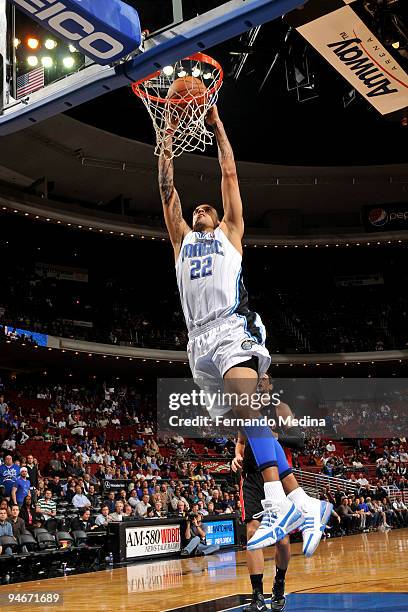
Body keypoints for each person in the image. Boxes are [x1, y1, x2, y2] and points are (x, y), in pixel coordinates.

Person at [159, 106, 331, 551]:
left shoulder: (229, 234)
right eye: (196, 208)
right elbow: (166, 190)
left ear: (219, 219)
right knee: (244, 419)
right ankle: (302, 502)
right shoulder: (181, 241)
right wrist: (168, 136)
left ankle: (279, 502)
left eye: (206, 208)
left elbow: (230, 174)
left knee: (248, 408)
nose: (199, 209)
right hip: (196, 342)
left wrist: (216, 126)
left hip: (230, 327)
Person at [232, 381, 305, 612]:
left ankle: (279, 584)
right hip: (252, 478)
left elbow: (298, 441)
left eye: (264, 381)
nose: (260, 384)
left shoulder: (280, 409)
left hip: (278, 478)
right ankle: (257, 596)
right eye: (256, 381)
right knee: (253, 533)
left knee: (282, 540)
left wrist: (271, 434)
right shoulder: (246, 411)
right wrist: (237, 456)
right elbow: (241, 443)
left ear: (271, 386)